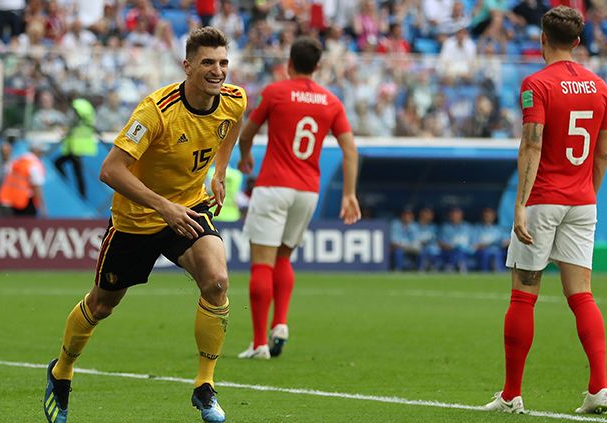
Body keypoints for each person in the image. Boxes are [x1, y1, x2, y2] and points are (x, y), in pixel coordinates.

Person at [42, 27, 245, 423]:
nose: (218, 71)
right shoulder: (156, 110)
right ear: (187, 66)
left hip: (187, 208)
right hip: (136, 218)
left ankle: (205, 387)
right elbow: (110, 169)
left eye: (222, 62)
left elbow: (231, 127)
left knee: (217, 281)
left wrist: (219, 172)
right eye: (208, 62)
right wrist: (162, 207)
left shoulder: (234, 100)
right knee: (102, 305)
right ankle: (61, 370)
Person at [483, 6, 607, 415]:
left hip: (542, 200)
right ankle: (599, 388)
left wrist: (520, 205)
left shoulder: (535, 84)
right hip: (582, 200)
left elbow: (532, 144)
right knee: (582, 296)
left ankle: (511, 395)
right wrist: (585, 195)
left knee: (524, 296)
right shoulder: (601, 87)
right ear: (577, 42)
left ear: (542, 38)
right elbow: (602, 152)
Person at [236, 36, 361, 360]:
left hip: (274, 185)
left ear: (288, 63)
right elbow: (350, 149)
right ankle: (281, 323)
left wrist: (246, 156)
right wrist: (349, 193)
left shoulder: (276, 92)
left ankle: (259, 343)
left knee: (261, 262)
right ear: (318, 67)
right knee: (284, 258)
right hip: (307, 190)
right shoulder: (331, 102)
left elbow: (247, 132)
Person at [54, 96, 98, 199]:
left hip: (76, 143)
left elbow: (73, 122)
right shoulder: (85, 105)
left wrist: (66, 130)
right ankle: (81, 195)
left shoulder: (76, 107)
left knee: (64, 165)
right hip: (79, 143)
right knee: (77, 171)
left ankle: (77, 193)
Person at [0, 140, 47, 217]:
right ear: (37, 150)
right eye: (41, 151)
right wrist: (43, 207)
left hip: (11, 201)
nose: (42, 153)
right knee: (27, 227)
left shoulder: (18, 160)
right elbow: (37, 187)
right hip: (26, 202)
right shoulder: (34, 164)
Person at [471, 207, 509, 272]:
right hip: (482, 252)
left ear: (494, 216)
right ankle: (484, 272)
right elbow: (474, 246)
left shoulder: (498, 229)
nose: (488, 217)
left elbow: (507, 241)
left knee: (496, 253)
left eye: (490, 215)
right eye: (486, 215)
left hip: (497, 252)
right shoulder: (477, 228)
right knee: (486, 253)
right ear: (482, 216)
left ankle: (499, 272)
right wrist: (493, 243)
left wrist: (491, 244)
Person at [390, 206, 421, 272]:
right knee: (398, 251)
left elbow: (416, 240)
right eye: (405, 215)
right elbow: (394, 241)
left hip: (411, 247)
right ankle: (398, 270)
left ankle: (420, 269)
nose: (407, 217)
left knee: (421, 251)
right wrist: (403, 244)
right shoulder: (395, 224)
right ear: (402, 215)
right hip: (399, 247)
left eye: (409, 215)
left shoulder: (414, 226)